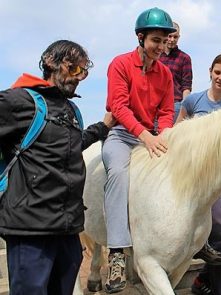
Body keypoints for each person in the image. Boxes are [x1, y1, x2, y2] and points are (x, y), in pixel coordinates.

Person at [0, 40, 115, 295]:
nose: (78, 78)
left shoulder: (71, 109)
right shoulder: (20, 101)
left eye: (83, 72)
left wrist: (102, 127)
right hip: (31, 230)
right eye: (73, 69)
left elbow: (71, 147)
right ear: (50, 62)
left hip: (67, 230)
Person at [102, 7, 175, 293]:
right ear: (141, 37)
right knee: (118, 173)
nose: (160, 46)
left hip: (152, 134)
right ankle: (118, 253)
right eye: (156, 40)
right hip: (122, 134)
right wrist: (146, 136)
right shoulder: (119, 64)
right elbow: (118, 107)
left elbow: (167, 111)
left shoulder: (166, 74)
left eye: (165, 40)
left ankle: (198, 239)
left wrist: (167, 134)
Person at [176, 53, 221, 295]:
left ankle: (202, 279)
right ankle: (220, 290)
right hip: (204, 179)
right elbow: (178, 132)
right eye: (217, 72)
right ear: (210, 72)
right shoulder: (193, 102)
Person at [159, 21, 193, 122]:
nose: (172, 40)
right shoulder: (155, 55)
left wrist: (185, 107)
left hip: (175, 103)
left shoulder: (184, 58)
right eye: (169, 36)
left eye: (175, 37)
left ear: (179, 37)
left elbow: (186, 87)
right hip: (155, 103)